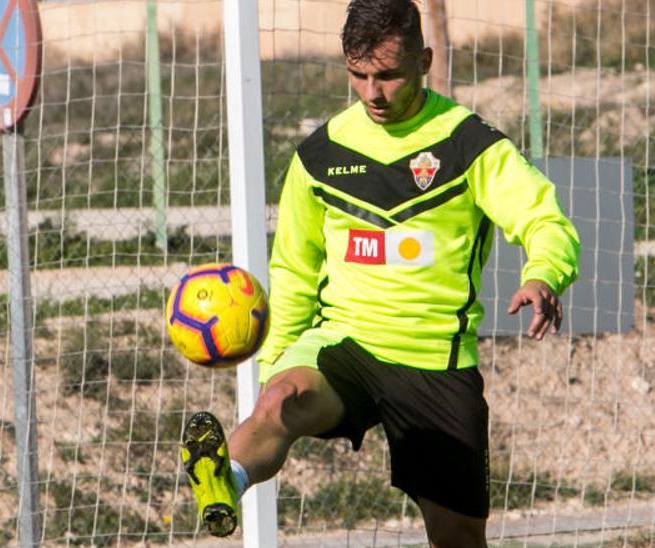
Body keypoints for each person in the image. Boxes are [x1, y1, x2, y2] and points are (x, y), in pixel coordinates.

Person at [180, 0, 580, 543]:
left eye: (388, 75)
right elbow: (295, 269)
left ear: (425, 61)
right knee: (280, 403)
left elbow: (543, 219)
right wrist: (275, 363)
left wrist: (543, 274)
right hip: (344, 344)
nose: (373, 93)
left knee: (458, 540)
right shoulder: (320, 155)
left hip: (433, 357)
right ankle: (225, 479)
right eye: (359, 75)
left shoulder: (468, 144)